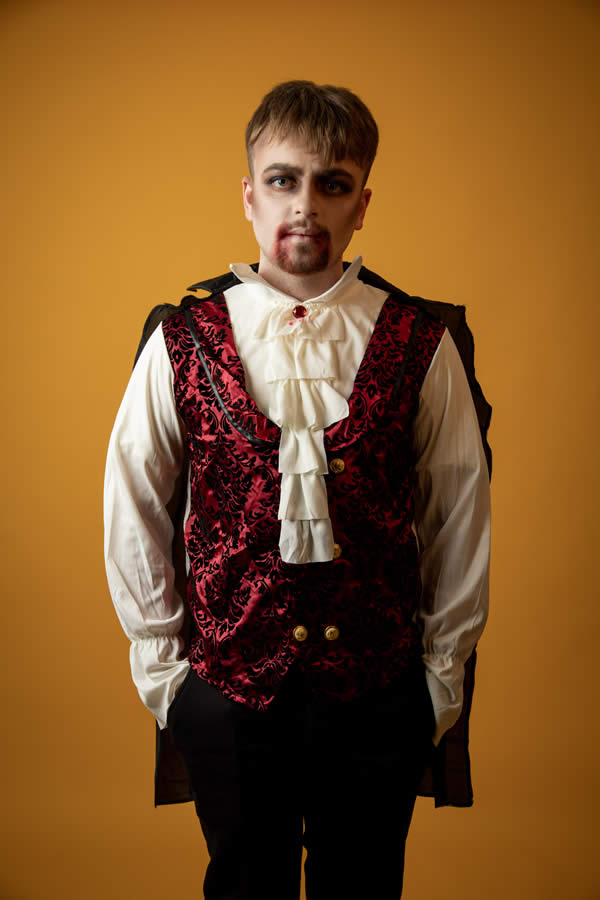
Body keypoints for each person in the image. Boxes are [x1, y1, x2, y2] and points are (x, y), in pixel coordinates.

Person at [104, 80, 491, 900]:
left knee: (364, 890)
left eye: (332, 183)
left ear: (362, 204)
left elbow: (459, 516)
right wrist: (170, 681)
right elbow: (133, 505)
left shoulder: (422, 341)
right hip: (227, 693)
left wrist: (439, 681)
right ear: (250, 195)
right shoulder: (183, 339)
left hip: (381, 694)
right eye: (283, 180)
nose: (306, 205)